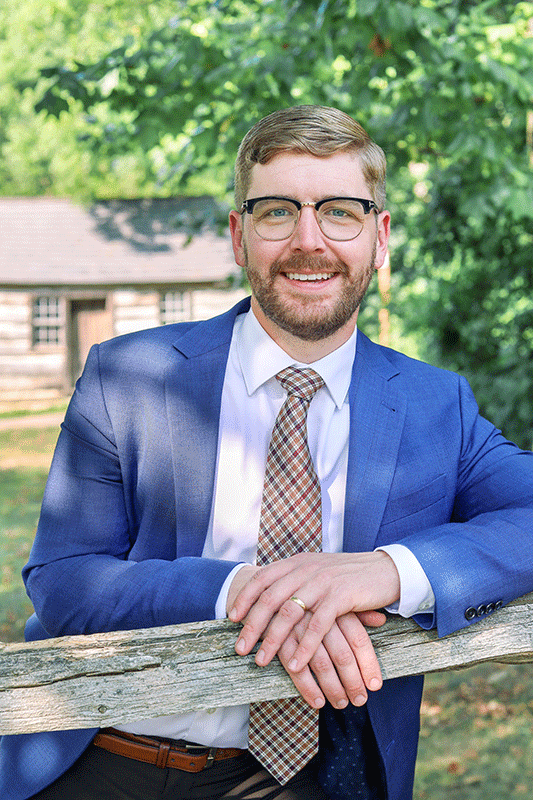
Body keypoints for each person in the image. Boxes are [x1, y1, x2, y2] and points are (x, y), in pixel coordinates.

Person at [1, 104, 533, 800]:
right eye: (277, 211)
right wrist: (240, 590)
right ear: (238, 234)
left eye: (340, 212)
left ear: (380, 237)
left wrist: (386, 571)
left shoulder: (437, 404)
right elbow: (64, 578)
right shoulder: (127, 374)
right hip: (103, 758)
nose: (307, 242)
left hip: (314, 777)